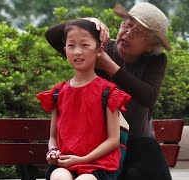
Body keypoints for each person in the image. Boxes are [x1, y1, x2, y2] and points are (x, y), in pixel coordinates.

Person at [45, 2, 172, 180]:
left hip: (136, 141)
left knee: (149, 154)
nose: (128, 33)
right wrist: (86, 22)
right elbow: (53, 36)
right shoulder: (99, 49)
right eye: (127, 24)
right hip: (95, 143)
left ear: (151, 45)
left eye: (139, 32)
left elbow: (148, 96)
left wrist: (109, 66)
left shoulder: (156, 60)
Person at [36, 19, 131, 180]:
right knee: (59, 178)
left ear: (99, 50)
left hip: (99, 164)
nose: (77, 52)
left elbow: (113, 140)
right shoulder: (58, 93)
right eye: (71, 45)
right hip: (65, 162)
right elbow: (53, 137)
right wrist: (52, 151)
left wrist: (82, 160)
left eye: (85, 45)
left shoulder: (108, 92)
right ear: (65, 50)